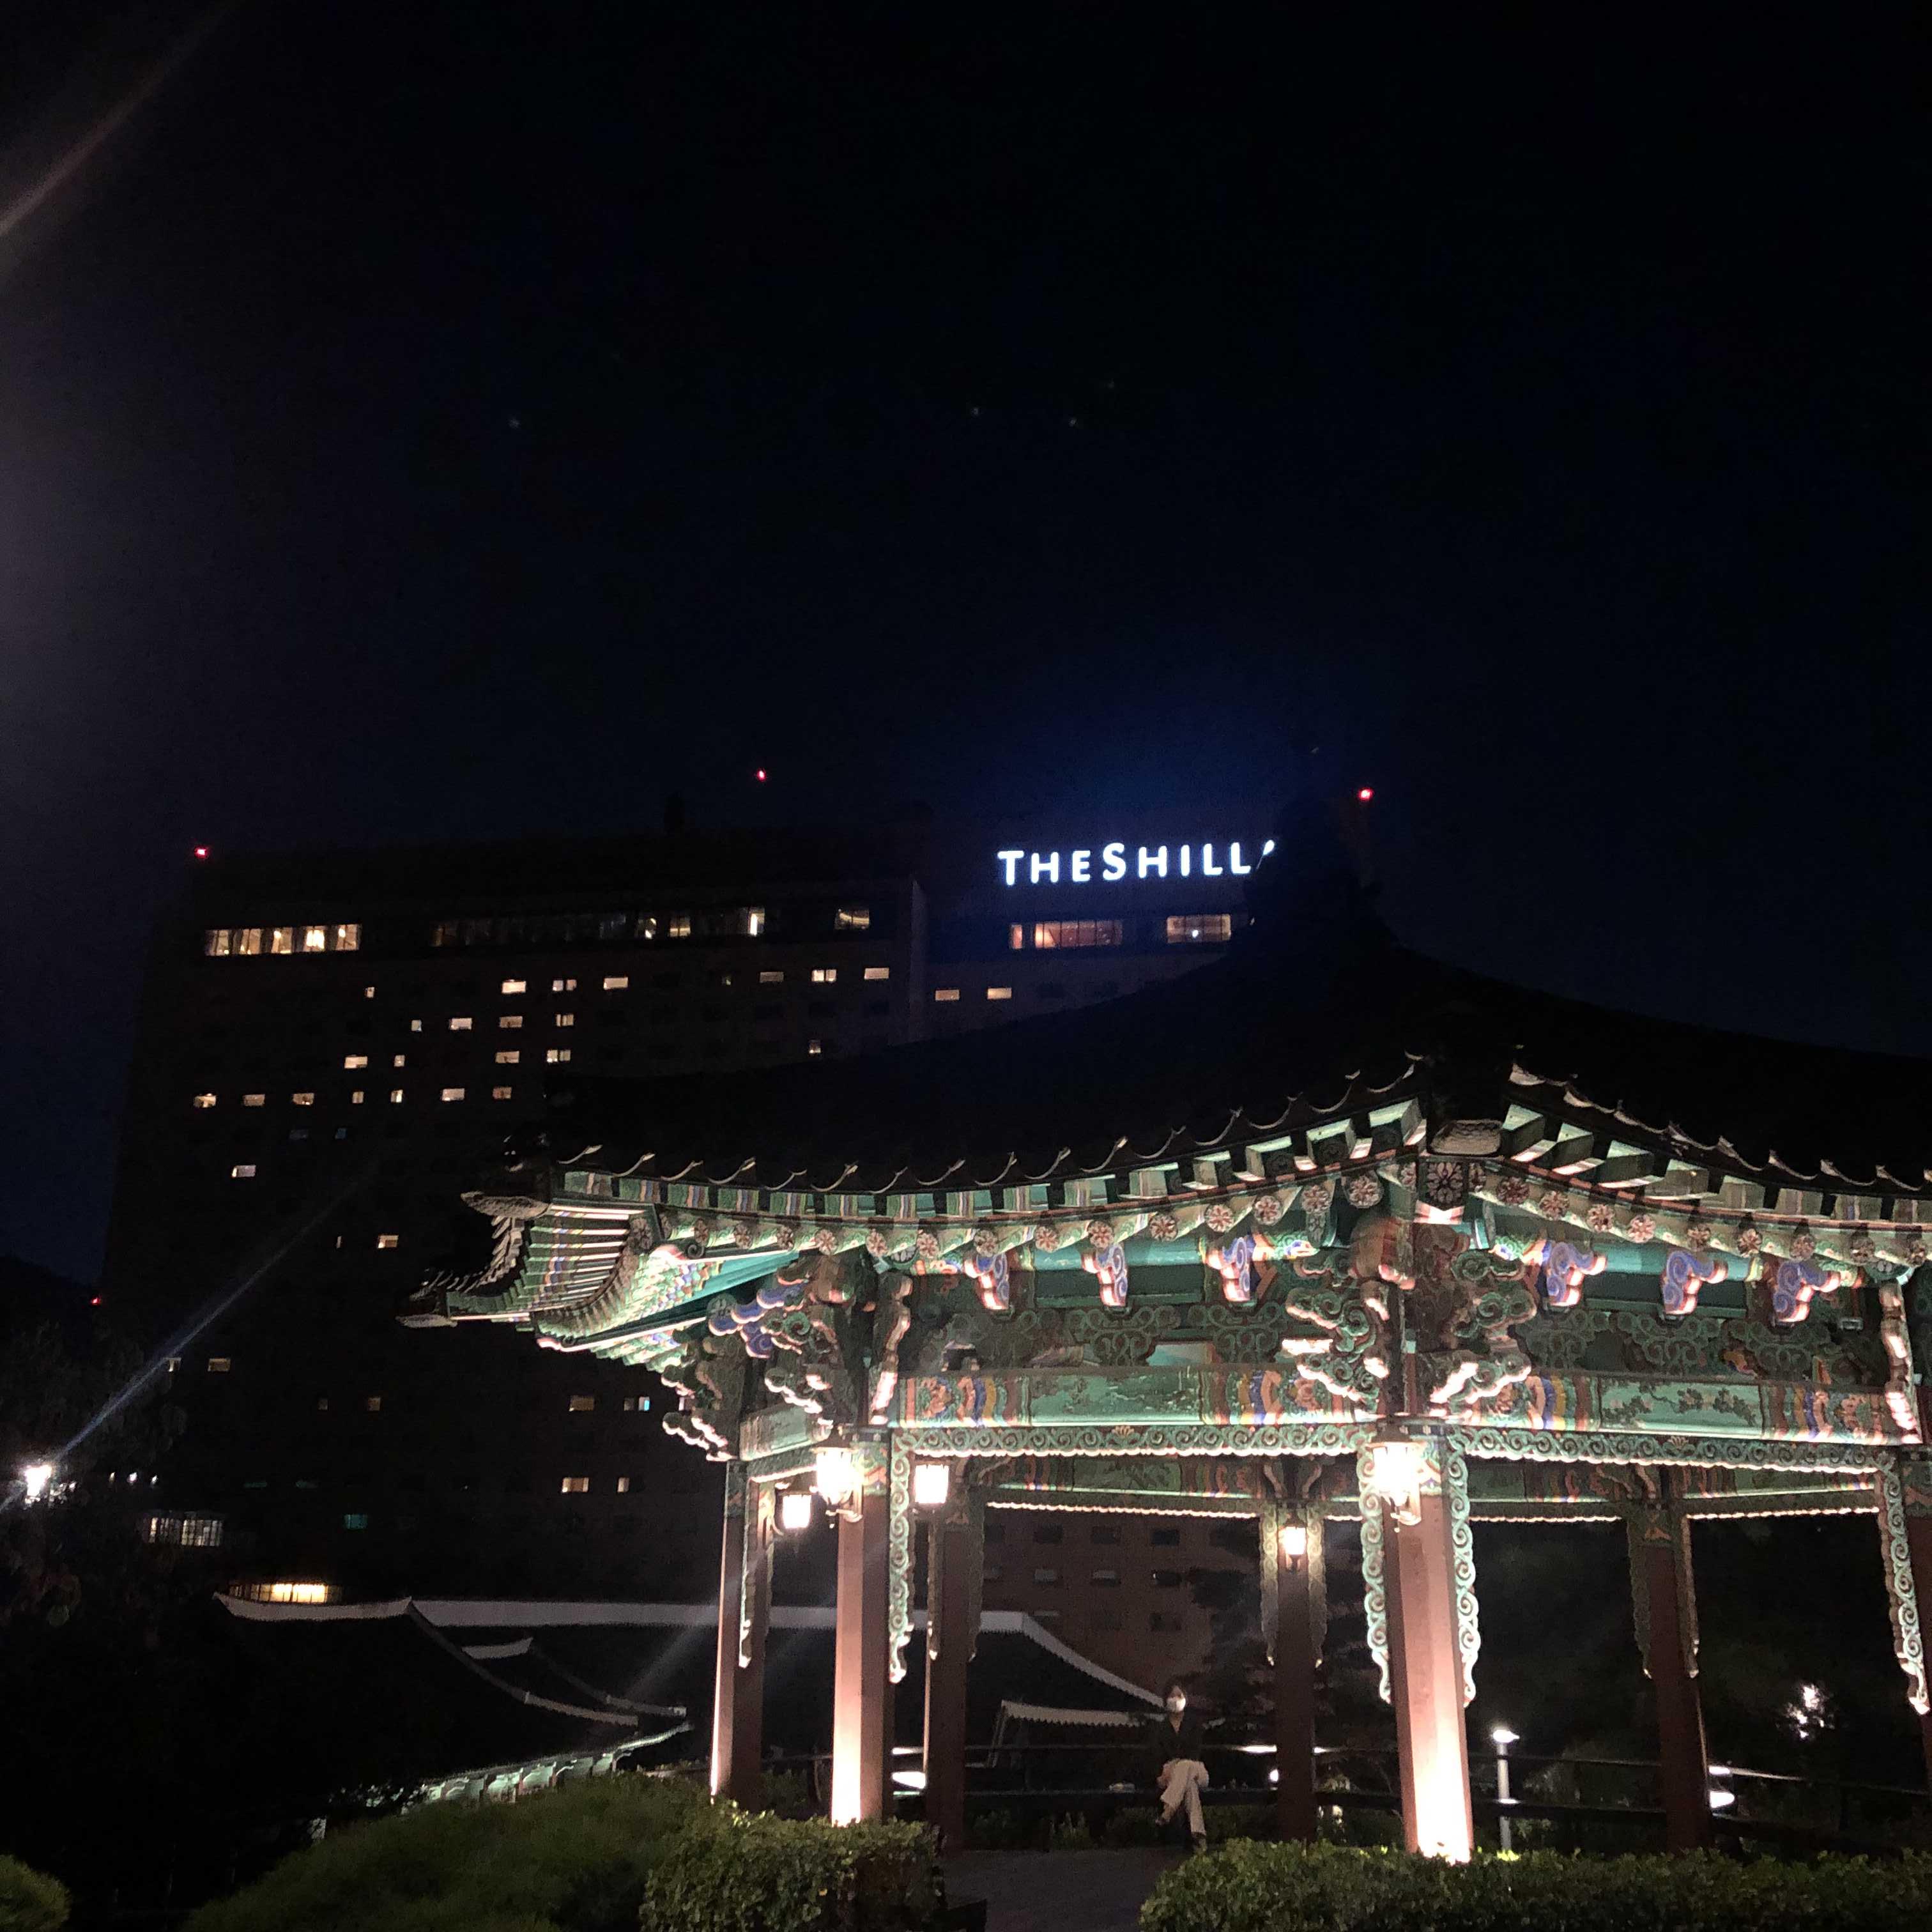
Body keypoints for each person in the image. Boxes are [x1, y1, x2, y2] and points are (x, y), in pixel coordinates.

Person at [1147, 1679, 1209, 1851]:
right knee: (1190, 1787)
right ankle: (1199, 1836)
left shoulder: (1194, 1724)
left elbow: (1195, 1754)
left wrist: (1176, 1762)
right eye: (1172, 1696)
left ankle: (1168, 1810)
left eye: (1179, 1695)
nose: (1175, 1699)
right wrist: (1161, 1774)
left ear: (1185, 1698)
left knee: (1185, 1766)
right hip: (1174, 1777)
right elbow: (1157, 1755)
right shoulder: (1161, 1728)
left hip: (1197, 1770)